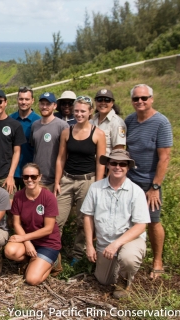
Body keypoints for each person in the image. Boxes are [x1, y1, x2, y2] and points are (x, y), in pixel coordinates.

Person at [82, 150, 150, 298]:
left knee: (128, 258)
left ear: (128, 167)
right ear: (107, 165)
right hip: (105, 243)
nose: (117, 167)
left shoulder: (136, 192)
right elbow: (88, 216)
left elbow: (140, 225)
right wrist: (89, 245)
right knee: (104, 280)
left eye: (122, 164)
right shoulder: (96, 188)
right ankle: (118, 266)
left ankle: (125, 280)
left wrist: (116, 244)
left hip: (129, 240)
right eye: (113, 163)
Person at [125, 84, 172, 280]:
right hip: (129, 180)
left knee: (153, 221)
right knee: (127, 220)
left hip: (149, 182)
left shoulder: (161, 122)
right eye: (136, 99)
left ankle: (157, 261)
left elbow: (165, 157)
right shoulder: (129, 121)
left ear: (152, 98)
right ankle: (130, 258)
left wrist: (155, 187)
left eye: (144, 98)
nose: (140, 102)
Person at [54, 96, 106, 265]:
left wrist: (98, 185)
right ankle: (54, 252)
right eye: (76, 110)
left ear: (90, 112)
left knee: (83, 220)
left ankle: (78, 254)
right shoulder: (66, 131)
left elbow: (100, 162)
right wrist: (57, 181)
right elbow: (61, 158)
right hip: (67, 179)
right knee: (57, 219)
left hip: (87, 180)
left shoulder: (98, 133)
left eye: (83, 111)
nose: (79, 114)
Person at [4, 163, 62, 285]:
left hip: (47, 242)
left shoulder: (48, 197)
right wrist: (27, 243)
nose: (29, 180)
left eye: (33, 177)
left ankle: (54, 262)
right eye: (26, 177)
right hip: (28, 240)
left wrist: (25, 238)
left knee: (32, 279)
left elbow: (48, 229)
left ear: (39, 177)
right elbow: (17, 224)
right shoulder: (18, 196)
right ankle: (32, 260)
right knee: (10, 251)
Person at [31, 92, 69, 192]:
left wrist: (59, 179)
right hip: (37, 179)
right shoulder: (35, 125)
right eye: (42, 104)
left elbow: (66, 154)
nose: (44, 107)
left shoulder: (62, 126)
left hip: (54, 180)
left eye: (48, 104)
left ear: (55, 106)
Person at [9, 86, 41, 190]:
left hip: (30, 173)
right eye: (21, 99)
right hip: (11, 172)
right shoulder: (10, 119)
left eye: (27, 99)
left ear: (32, 100)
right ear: (17, 99)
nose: (23, 102)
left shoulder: (39, 122)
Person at [91, 89, 126, 155]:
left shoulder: (118, 123)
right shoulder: (91, 121)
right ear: (95, 102)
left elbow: (119, 150)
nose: (103, 103)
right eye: (99, 100)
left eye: (107, 100)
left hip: (107, 163)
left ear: (112, 103)